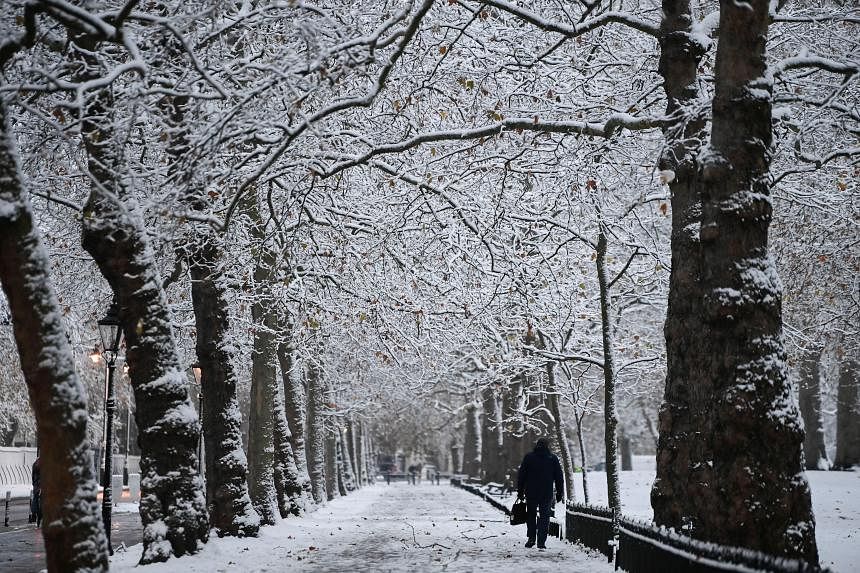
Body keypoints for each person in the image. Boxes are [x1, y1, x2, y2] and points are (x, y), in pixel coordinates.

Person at [517, 438, 563, 549]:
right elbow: (559, 477)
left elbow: (521, 476)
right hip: (546, 493)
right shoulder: (552, 459)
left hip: (531, 492)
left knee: (531, 515)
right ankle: (541, 541)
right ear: (547, 446)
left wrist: (520, 491)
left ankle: (531, 538)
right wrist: (559, 492)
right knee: (544, 517)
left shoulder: (529, 457)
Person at [31, 457, 42, 528]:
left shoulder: (35, 464)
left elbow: (32, 475)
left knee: (35, 499)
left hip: (36, 486)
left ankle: (34, 514)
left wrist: (34, 483)